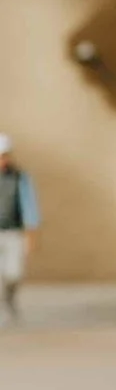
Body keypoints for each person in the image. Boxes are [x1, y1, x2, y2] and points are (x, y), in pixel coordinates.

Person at [0, 133, 37, 320]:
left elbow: (30, 207)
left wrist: (31, 236)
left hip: (13, 231)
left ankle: (9, 298)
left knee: (14, 272)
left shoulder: (19, 177)